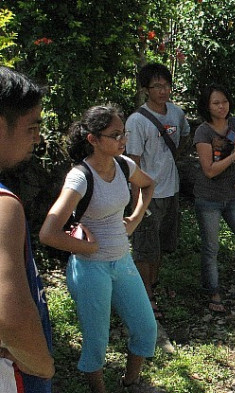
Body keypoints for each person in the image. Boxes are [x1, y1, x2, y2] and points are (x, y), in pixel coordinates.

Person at [40, 105, 157, 392]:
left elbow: (148, 184)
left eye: (123, 133)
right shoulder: (80, 177)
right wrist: (86, 248)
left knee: (146, 328)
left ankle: (131, 382)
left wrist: (135, 218)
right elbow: (48, 233)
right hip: (91, 269)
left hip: (122, 261)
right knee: (96, 341)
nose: (122, 140)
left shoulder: (123, 165)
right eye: (115, 135)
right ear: (93, 139)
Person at [0, 66, 54, 392]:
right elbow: (11, 316)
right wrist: (42, 365)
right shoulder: (4, 206)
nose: (37, 137)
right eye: (31, 127)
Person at [125, 63, 190, 322]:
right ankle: (147, 296)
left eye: (166, 85)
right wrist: (135, 203)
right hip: (147, 193)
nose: (163, 91)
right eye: (157, 86)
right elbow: (133, 164)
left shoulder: (176, 113)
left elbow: (185, 138)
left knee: (161, 244)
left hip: (170, 190)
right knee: (144, 246)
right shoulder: (137, 121)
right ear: (145, 90)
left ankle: (152, 285)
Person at [193, 84, 235, 313]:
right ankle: (213, 291)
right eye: (215, 103)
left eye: (224, 101)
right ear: (207, 106)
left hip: (233, 196)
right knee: (211, 248)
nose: (221, 106)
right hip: (208, 198)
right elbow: (209, 170)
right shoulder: (203, 132)